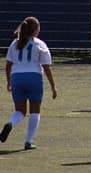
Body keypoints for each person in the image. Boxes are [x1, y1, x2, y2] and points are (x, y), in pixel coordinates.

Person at [2, 17, 57, 150]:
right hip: (34, 77)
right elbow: (46, 67)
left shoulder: (14, 44)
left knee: (20, 111)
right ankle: (29, 141)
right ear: (36, 31)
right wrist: (53, 86)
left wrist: (9, 81)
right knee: (35, 111)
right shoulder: (40, 44)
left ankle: (10, 123)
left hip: (17, 78)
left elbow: (8, 65)